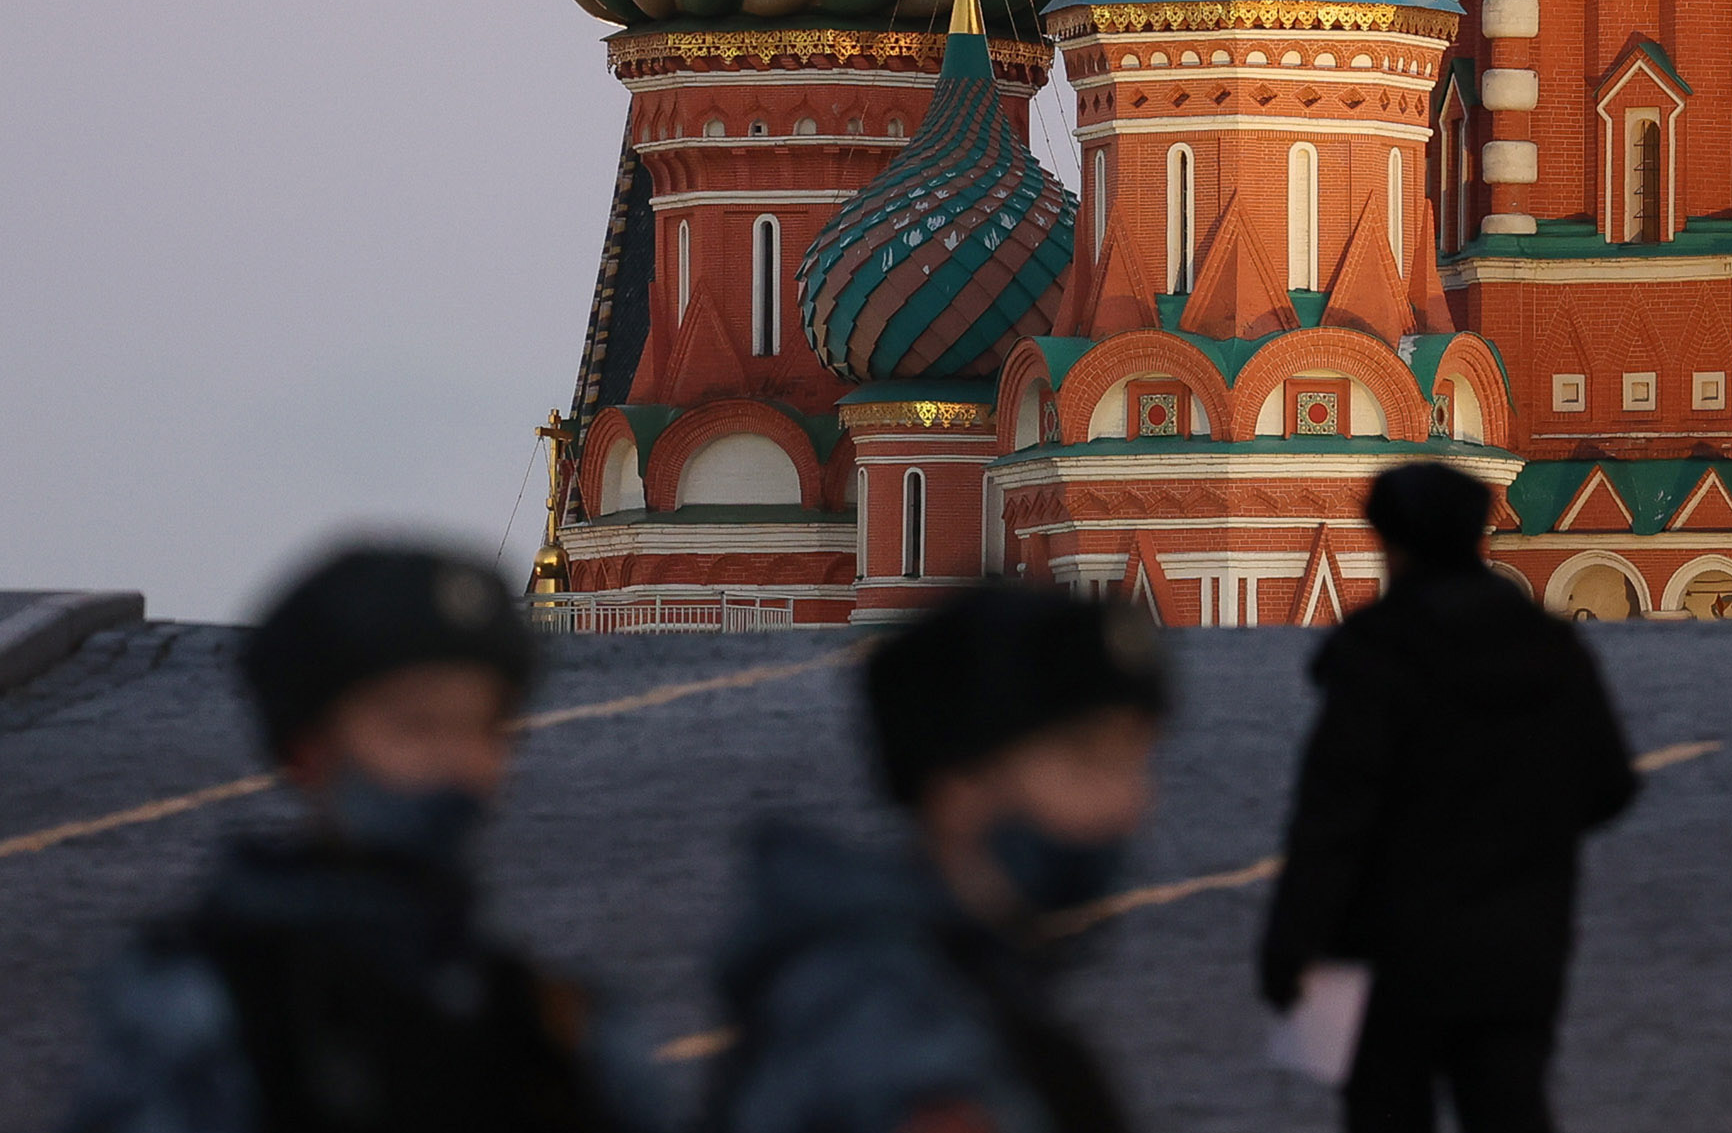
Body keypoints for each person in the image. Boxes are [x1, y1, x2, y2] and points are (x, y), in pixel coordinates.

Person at [65, 541, 651, 1133]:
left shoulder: (549, 1026)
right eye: (415, 727)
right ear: (308, 748)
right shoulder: (206, 1015)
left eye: (483, 728)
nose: (460, 767)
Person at [1258, 461, 1639, 1133]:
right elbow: (1609, 784)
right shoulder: (1548, 646)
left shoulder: (1376, 653)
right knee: (1510, 1111)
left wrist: (1292, 943)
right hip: (1520, 949)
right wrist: (1528, 834)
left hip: (1390, 956)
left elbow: (1333, 815)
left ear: (1391, 540)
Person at [706, 582, 1170, 1133]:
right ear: (958, 785)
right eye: (1090, 765)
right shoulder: (893, 1033)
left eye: (1135, 764)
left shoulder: (955, 996)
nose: (1132, 806)